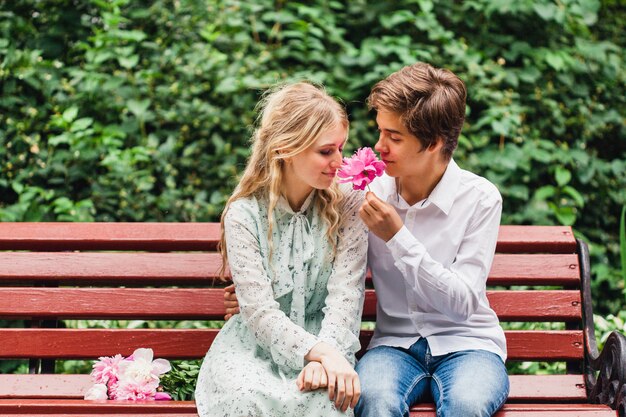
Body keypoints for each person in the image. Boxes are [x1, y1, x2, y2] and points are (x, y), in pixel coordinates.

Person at [225, 63, 510, 417]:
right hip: (394, 347)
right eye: (380, 131)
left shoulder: (480, 198)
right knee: (372, 403)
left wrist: (397, 237)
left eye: (395, 137)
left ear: (434, 143)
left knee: (467, 405)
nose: (378, 146)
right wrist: (265, 292)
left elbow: (462, 303)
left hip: (468, 345)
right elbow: (313, 256)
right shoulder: (363, 194)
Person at [195, 81, 369, 417]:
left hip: (330, 340)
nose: (338, 162)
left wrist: (327, 355)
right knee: (245, 398)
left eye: (340, 148)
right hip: (253, 349)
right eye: (325, 151)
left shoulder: (348, 204)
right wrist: (317, 352)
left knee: (327, 400)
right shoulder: (245, 213)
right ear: (285, 149)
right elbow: (259, 313)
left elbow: (346, 297)